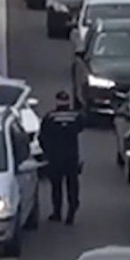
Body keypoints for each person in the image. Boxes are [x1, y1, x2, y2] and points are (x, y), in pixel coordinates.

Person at [39, 91, 83, 225]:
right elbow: (81, 126)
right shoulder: (76, 116)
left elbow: (42, 136)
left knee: (56, 186)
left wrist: (46, 152)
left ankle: (57, 213)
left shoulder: (50, 117)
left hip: (55, 157)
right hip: (71, 157)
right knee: (72, 185)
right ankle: (71, 211)